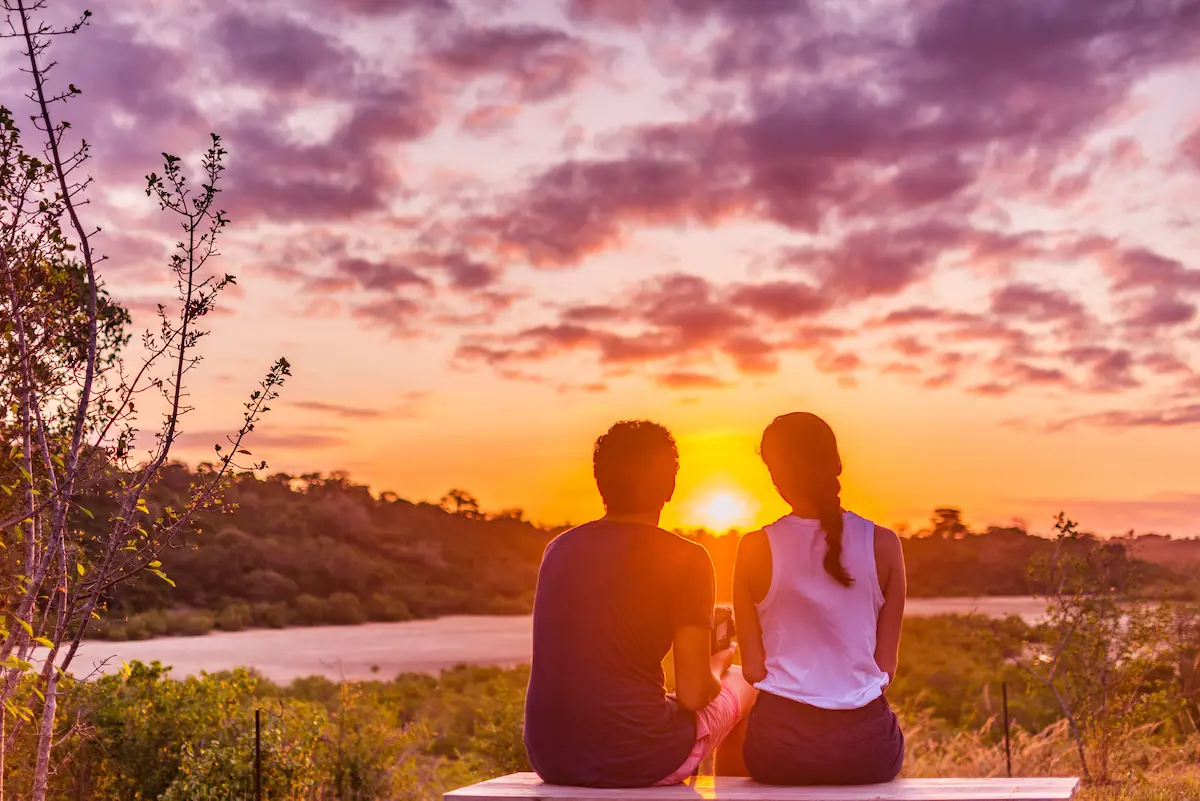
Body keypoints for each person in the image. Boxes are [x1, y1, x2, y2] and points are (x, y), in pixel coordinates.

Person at [524, 420, 757, 788]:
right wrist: (721, 659)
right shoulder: (686, 558)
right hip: (637, 756)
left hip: (551, 758)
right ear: (670, 486)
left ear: (601, 482)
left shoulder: (560, 549)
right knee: (743, 680)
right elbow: (696, 693)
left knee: (662, 704)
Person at [733, 412, 906, 785]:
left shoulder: (754, 548)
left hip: (779, 748)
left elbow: (752, 671)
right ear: (836, 465)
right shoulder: (884, 544)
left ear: (776, 477)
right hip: (867, 748)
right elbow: (885, 668)